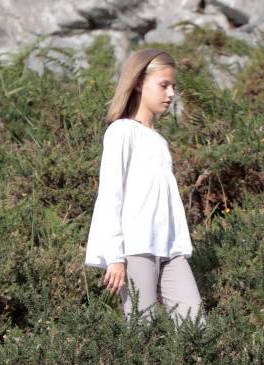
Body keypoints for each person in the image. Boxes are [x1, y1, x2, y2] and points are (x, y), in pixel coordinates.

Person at [84, 48, 206, 330]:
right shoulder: (121, 131)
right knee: (142, 333)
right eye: (164, 85)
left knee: (196, 329)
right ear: (139, 82)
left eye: (173, 86)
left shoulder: (159, 141)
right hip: (137, 249)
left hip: (171, 250)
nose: (171, 93)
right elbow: (110, 195)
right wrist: (114, 257)